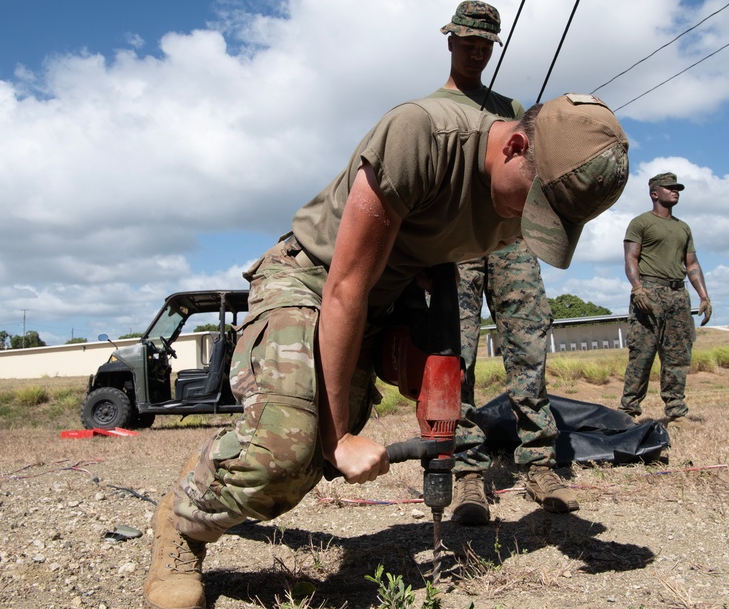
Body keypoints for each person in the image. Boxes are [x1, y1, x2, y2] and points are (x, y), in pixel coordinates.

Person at [143, 90, 629, 609]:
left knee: (308, 464)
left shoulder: (523, 189)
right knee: (289, 447)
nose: (527, 221)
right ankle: (182, 525)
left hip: (383, 303)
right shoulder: (421, 135)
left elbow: (440, 245)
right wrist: (338, 436)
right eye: (534, 204)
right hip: (312, 280)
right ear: (513, 145)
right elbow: (344, 285)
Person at [428, 0, 577, 526]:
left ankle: (539, 463)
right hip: (458, 244)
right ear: (449, 42)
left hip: (510, 240)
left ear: (493, 47)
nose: (474, 50)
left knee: (529, 340)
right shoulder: (431, 111)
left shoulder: (510, 107)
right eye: (466, 41)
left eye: (484, 44)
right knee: (457, 352)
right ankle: (468, 474)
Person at [619, 172, 712, 424]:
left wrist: (703, 296)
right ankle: (628, 412)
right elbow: (631, 259)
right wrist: (637, 288)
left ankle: (676, 411)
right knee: (642, 353)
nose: (675, 191)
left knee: (678, 354)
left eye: (677, 188)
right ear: (654, 193)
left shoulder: (683, 227)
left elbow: (691, 264)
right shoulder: (640, 223)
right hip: (649, 291)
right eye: (670, 188)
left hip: (678, 294)